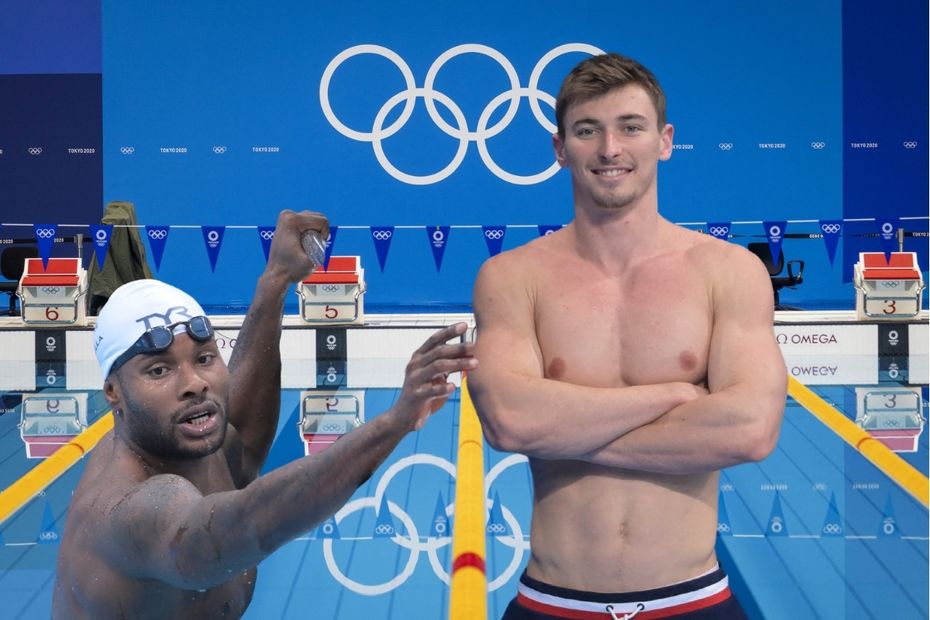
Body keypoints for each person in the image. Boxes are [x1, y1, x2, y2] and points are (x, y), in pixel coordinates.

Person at [468, 53, 786, 619]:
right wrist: (675, 396)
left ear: (664, 140)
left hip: (695, 600)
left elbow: (751, 430)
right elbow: (510, 421)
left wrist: (563, 429)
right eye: (587, 131)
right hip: (552, 602)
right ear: (560, 148)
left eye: (630, 128)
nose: (610, 149)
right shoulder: (513, 278)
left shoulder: (728, 271)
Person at [51, 209, 478, 619]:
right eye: (159, 369)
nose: (194, 383)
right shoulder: (129, 507)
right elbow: (232, 529)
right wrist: (393, 422)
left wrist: (276, 281)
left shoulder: (186, 437)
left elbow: (243, 436)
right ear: (113, 393)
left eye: (203, 358)